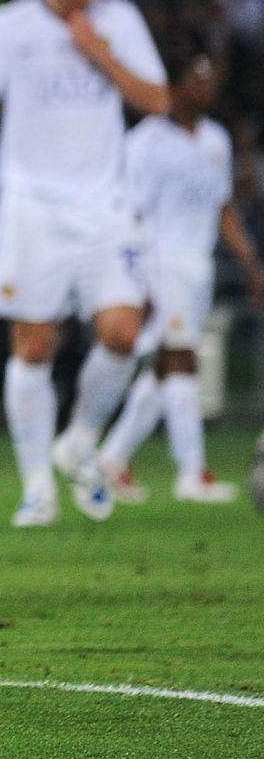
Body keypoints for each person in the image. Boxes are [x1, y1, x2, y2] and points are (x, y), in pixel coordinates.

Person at [0, 0, 169, 527]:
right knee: (34, 343)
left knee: (123, 331)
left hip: (104, 205)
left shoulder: (118, 22)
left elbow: (158, 101)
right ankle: (37, 482)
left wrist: (100, 54)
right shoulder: (10, 27)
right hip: (31, 205)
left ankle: (80, 440)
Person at [95, 49, 264, 503]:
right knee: (181, 360)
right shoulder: (144, 143)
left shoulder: (215, 140)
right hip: (158, 262)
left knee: (162, 370)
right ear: (173, 86)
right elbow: (124, 211)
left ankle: (111, 459)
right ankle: (192, 474)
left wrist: (250, 260)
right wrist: (133, 280)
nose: (206, 88)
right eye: (197, 79)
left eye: (210, 79)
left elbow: (222, 207)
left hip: (197, 267)